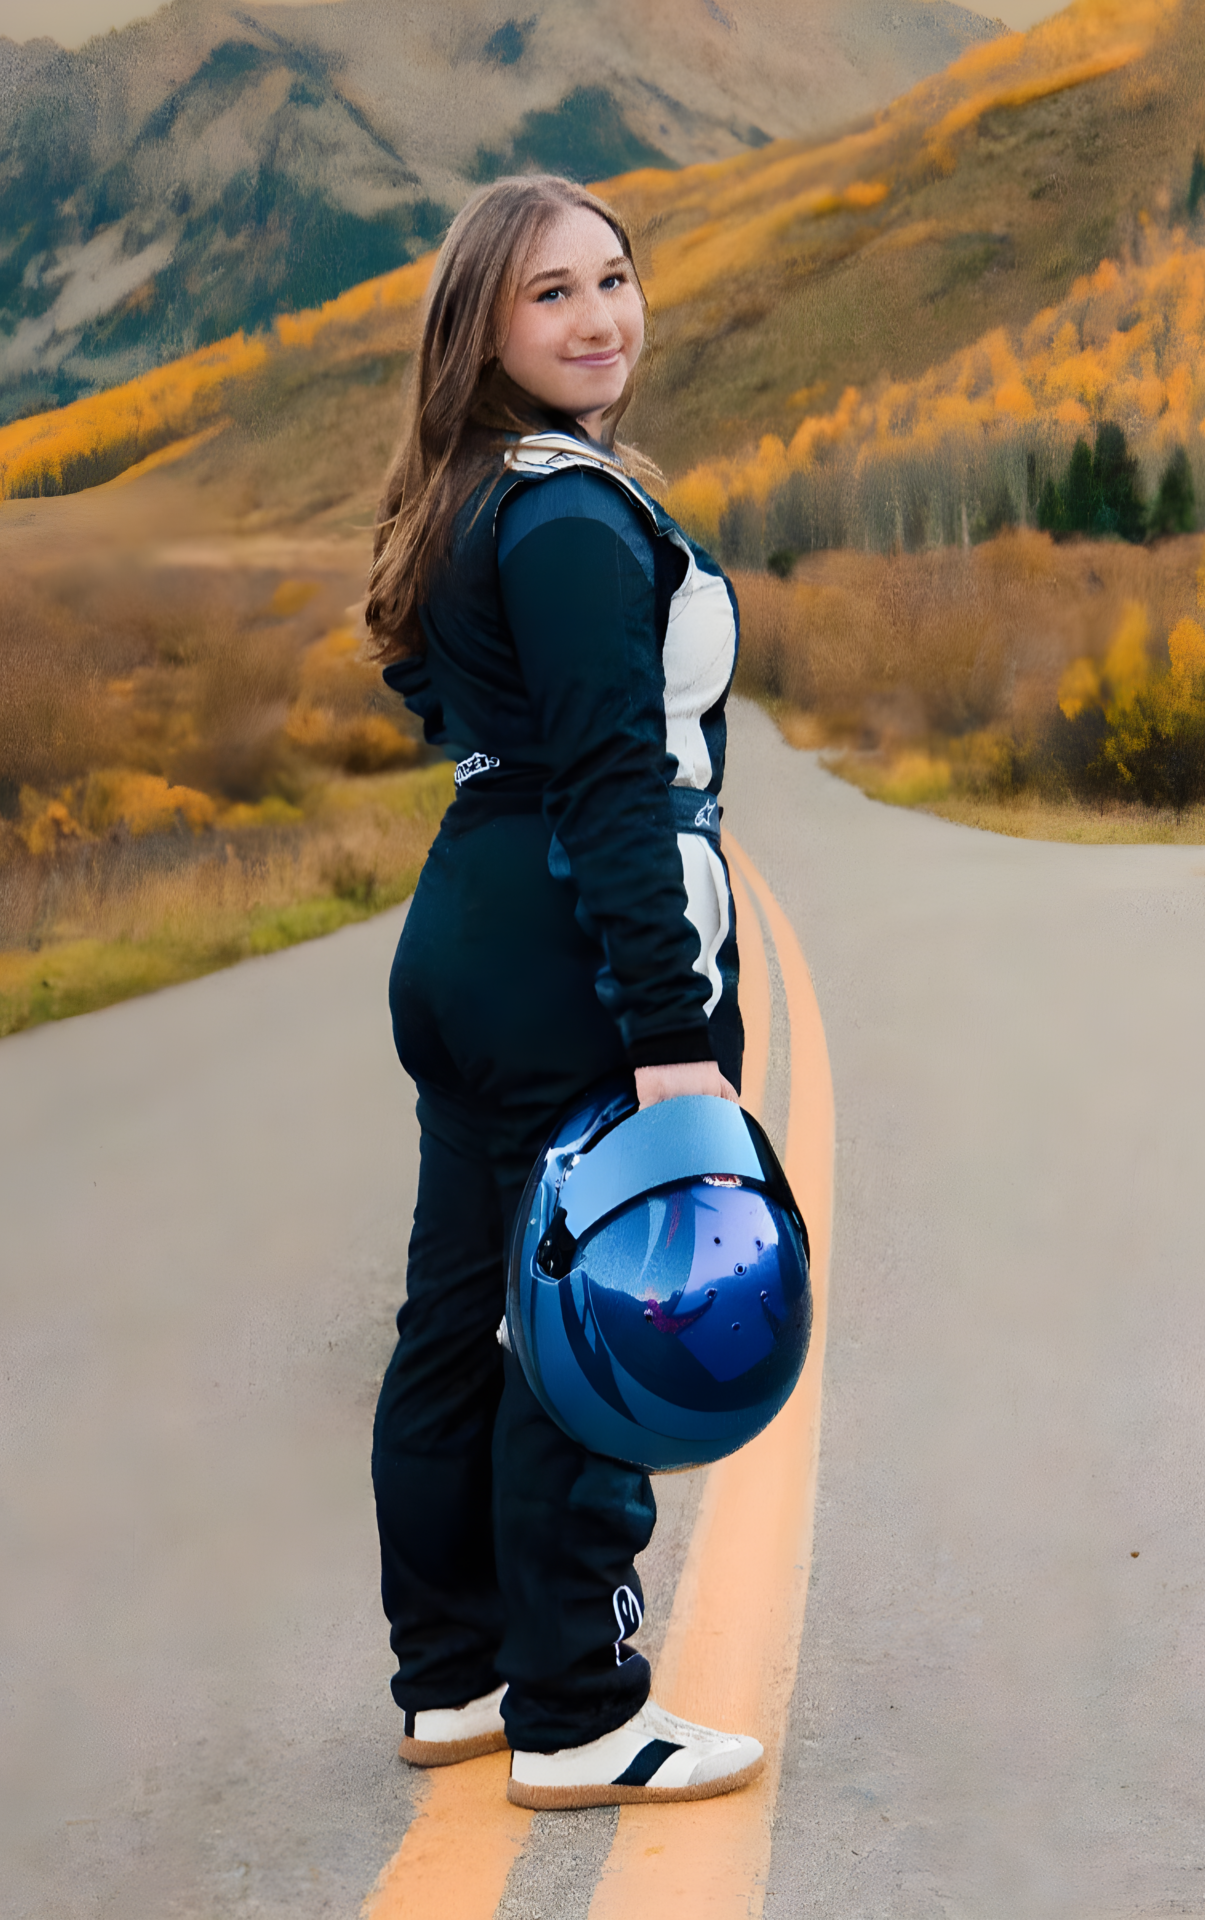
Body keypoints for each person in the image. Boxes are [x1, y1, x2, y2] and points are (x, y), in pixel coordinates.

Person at [362, 174, 764, 1812]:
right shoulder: (576, 520)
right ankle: (582, 1712)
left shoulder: (471, 498)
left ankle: (451, 1682)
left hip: (463, 931)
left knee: (457, 1319)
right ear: (483, 327)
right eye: (553, 295)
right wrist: (673, 1033)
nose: (602, 318)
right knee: (583, 1330)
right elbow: (609, 786)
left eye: (615, 278)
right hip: (561, 953)